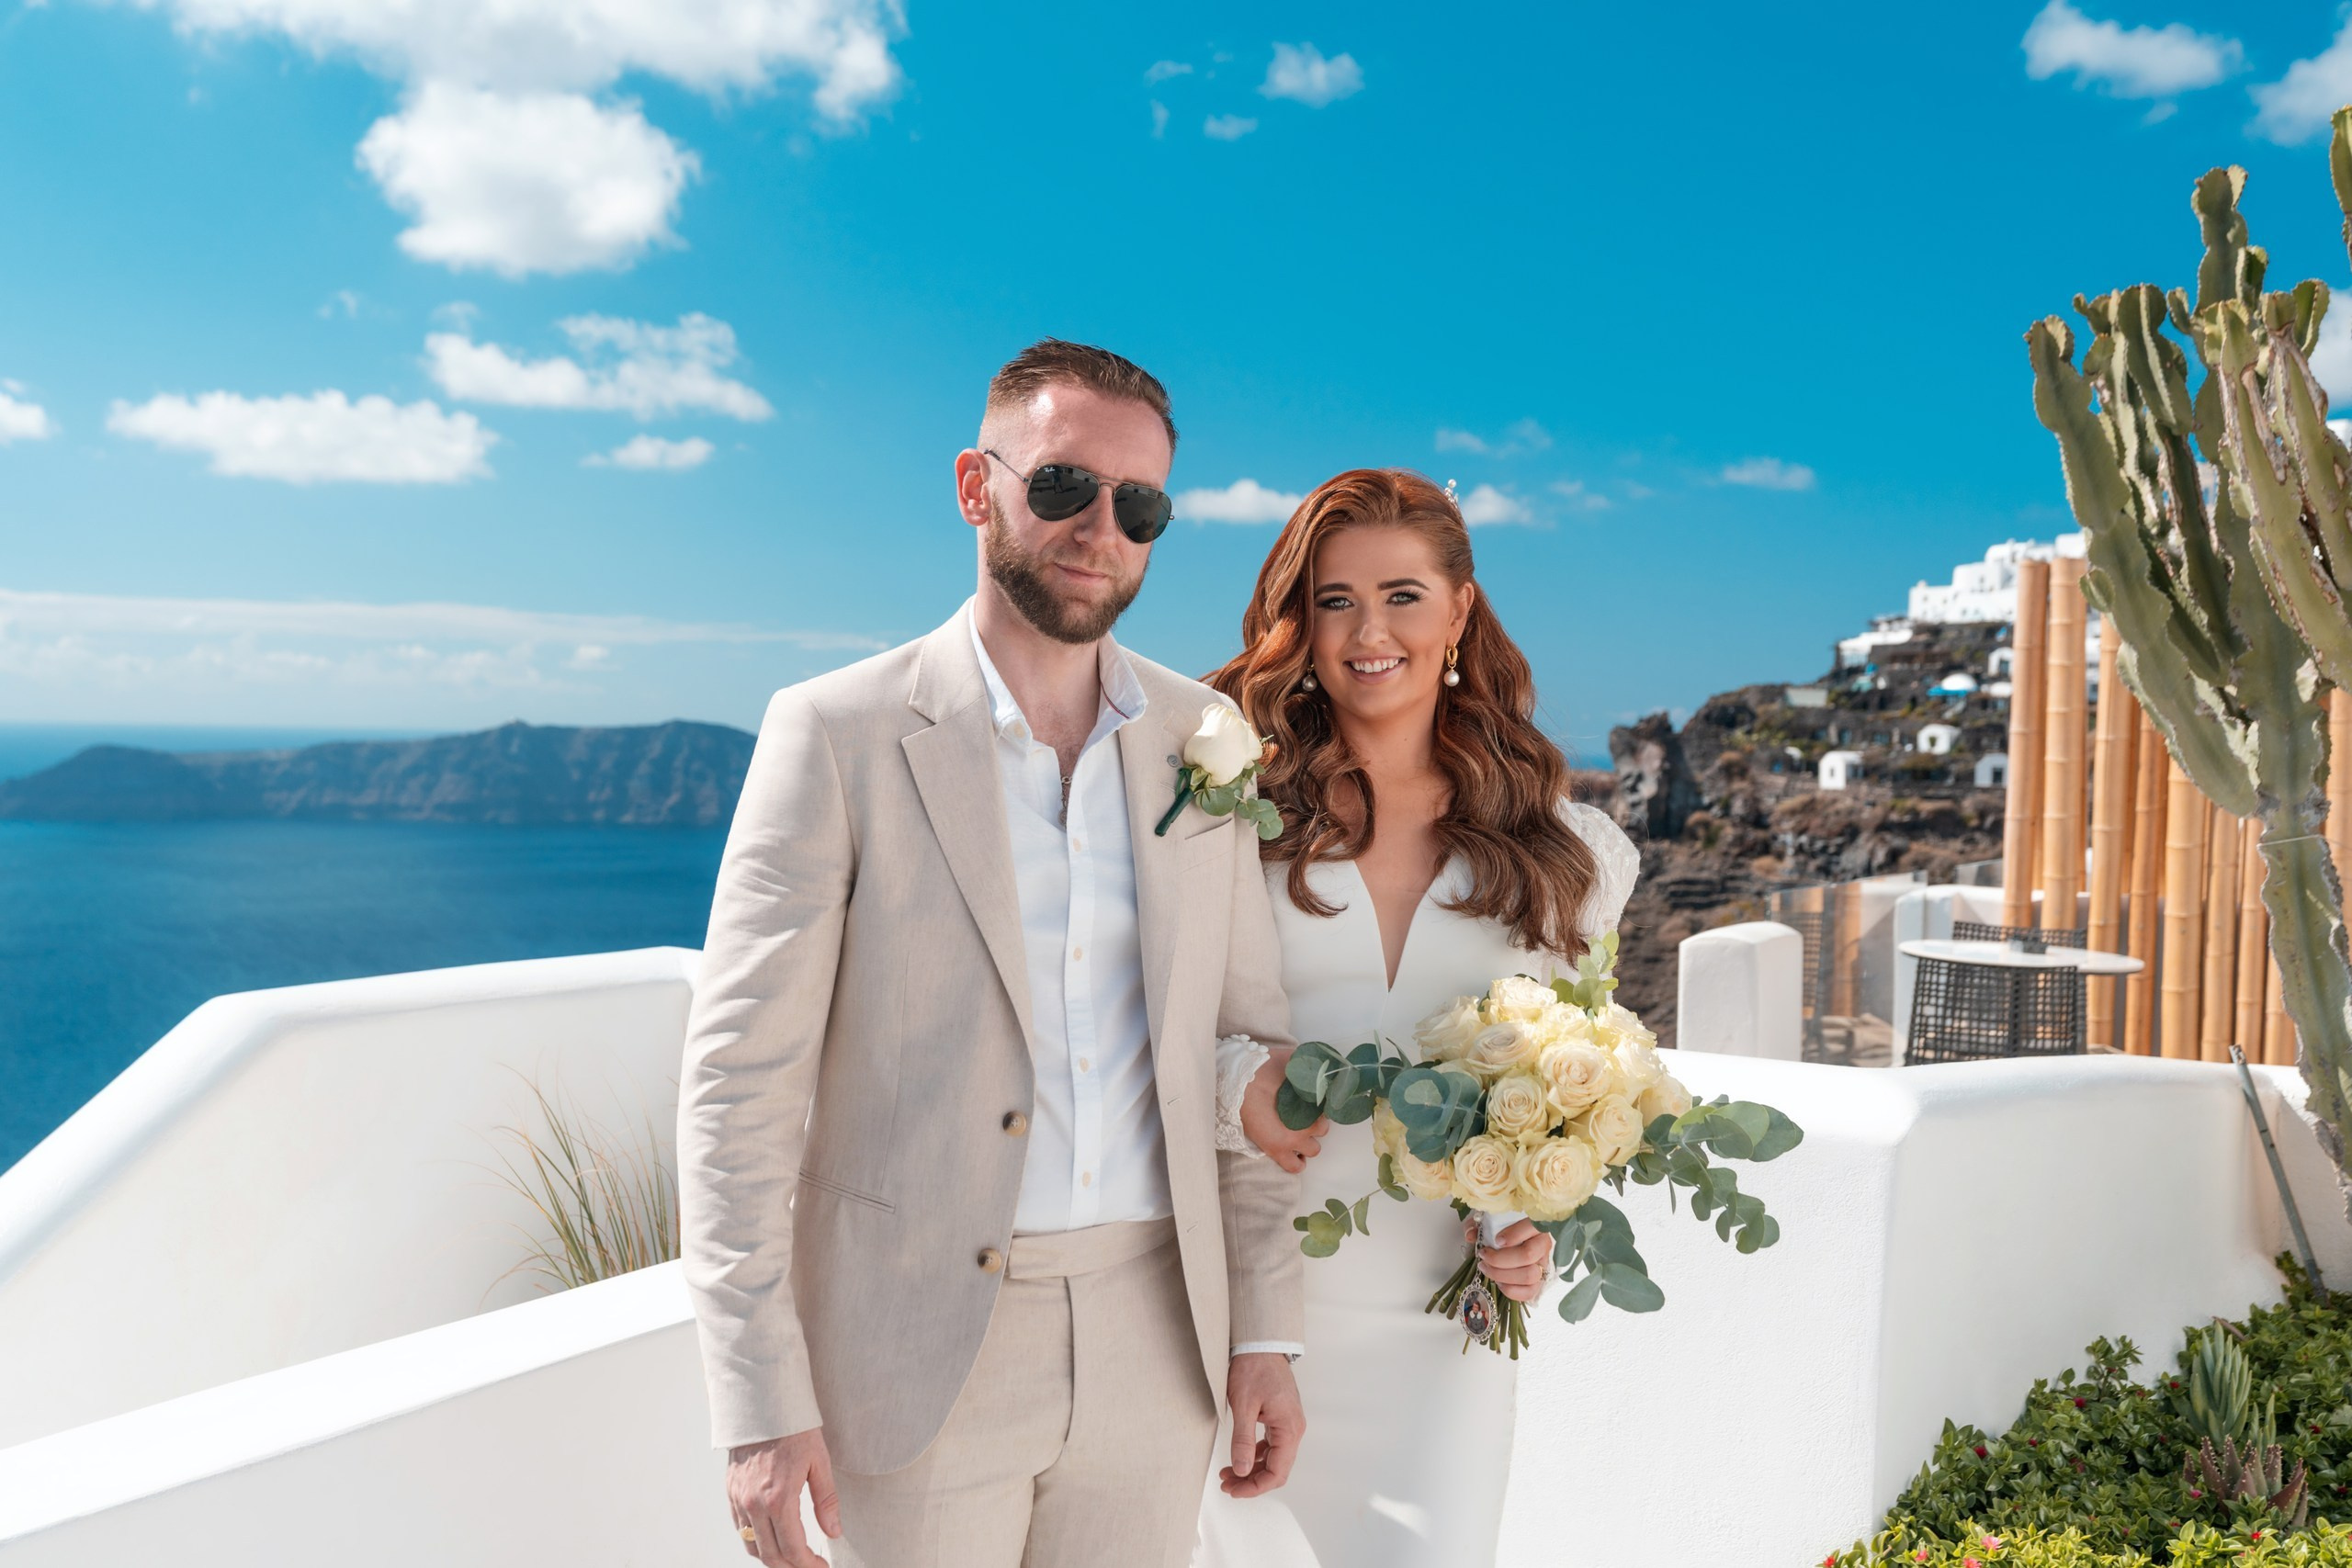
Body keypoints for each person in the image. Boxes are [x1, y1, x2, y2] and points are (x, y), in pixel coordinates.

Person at [677, 339, 1308, 1568]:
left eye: (1140, 506)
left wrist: (1263, 1331)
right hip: (908, 1351)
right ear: (977, 486)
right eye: (1063, 485)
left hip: (1159, 1342)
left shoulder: (1203, 737)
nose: (1101, 530)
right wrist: (757, 1399)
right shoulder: (835, 732)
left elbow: (1247, 1052)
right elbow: (736, 1089)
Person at [1193, 469, 1640, 1568]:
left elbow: (1577, 1085)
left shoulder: (1569, 858)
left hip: (1448, 1333)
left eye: (1401, 596)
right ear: (1299, 626)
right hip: (1236, 1315)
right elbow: (1130, 1035)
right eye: (1335, 601)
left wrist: (1538, 1221)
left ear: (1459, 610)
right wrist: (1234, 1086)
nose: (1368, 633)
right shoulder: (1227, 822)